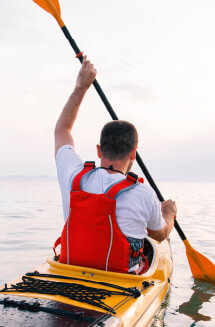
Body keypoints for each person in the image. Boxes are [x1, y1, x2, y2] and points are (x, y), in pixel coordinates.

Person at [53, 56, 176, 274]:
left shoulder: (73, 176)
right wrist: (169, 213)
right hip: (121, 282)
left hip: (70, 274)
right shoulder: (144, 193)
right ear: (133, 153)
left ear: (99, 150)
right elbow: (160, 234)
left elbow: (62, 131)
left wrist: (81, 87)